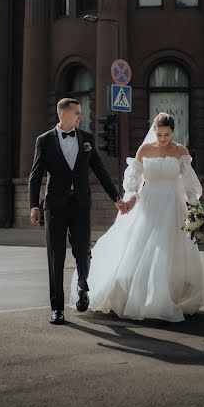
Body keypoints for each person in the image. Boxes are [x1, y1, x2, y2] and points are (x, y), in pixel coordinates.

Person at [69, 112, 204, 322]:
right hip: (149, 204)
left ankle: (163, 297)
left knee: (168, 252)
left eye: (166, 135)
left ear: (173, 133)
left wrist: (195, 208)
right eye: (159, 134)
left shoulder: (181, 152)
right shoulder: (145, 149)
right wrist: (130, 201)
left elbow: (188, 183)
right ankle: (137, 296)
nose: (161, 139)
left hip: (173, 206)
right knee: (137, 249)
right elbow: (134, 181)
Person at [29, 98, 127, 325]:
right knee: (56, 257)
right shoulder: (44, 141)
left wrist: (115, 198)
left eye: (80, 113)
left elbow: (100, 170)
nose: (80, 117)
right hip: (54, 206)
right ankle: (57, 309)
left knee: (83, 252)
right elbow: (35, 176)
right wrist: (34, 204)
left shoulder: (87, 140)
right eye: (76, 113)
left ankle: (83, 285)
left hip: (80, 206)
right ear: (62, 115)